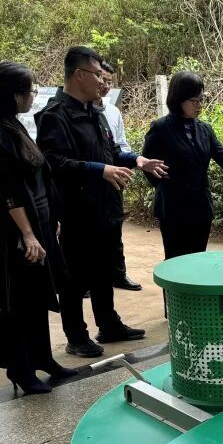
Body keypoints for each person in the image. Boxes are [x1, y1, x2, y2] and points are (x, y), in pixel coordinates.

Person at [36, 46, 163, 357]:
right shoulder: (55, 116)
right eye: (97, 75)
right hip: (77, 210)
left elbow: (112, 152)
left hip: (106, 207)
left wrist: (138, 161)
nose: (102, 81)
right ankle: (76, 336)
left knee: (105, 270)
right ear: (79, 75)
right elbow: (54, 163)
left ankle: (109, 324)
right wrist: (100, 170)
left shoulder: (95, 112)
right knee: (74, 277)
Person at [0, 62, 77, 394]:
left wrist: (50, 219)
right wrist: (28, 234)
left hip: (37, 221)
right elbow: (7, 190)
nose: (33, 96)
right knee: (19, 299)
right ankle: (19, 368)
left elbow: (37, 177)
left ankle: (42, 357)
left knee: (38, 293)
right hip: (15, 230)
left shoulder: (12, 124)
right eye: (30, 91)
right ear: (13, 95)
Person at [142, 71, 223, 259]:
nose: (199, 105)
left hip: (200, 208)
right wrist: (165, 186)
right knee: (175, 263)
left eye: (201, 100)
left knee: (198, 260)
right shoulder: (160, 128)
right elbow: (147, 164)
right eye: (194, 101)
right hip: (173, 208)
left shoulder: (204, 129)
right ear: (179, 99)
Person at [95, 64, 144, 291]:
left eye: (109, 81)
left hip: (115, 179)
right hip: (91, 181)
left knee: (115, 228)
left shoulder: (112, 112)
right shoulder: (71, 112)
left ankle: (118, 274)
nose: (105, 85)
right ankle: (87, 279)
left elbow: (121, 145)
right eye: (102, 79)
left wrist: (133, 162)